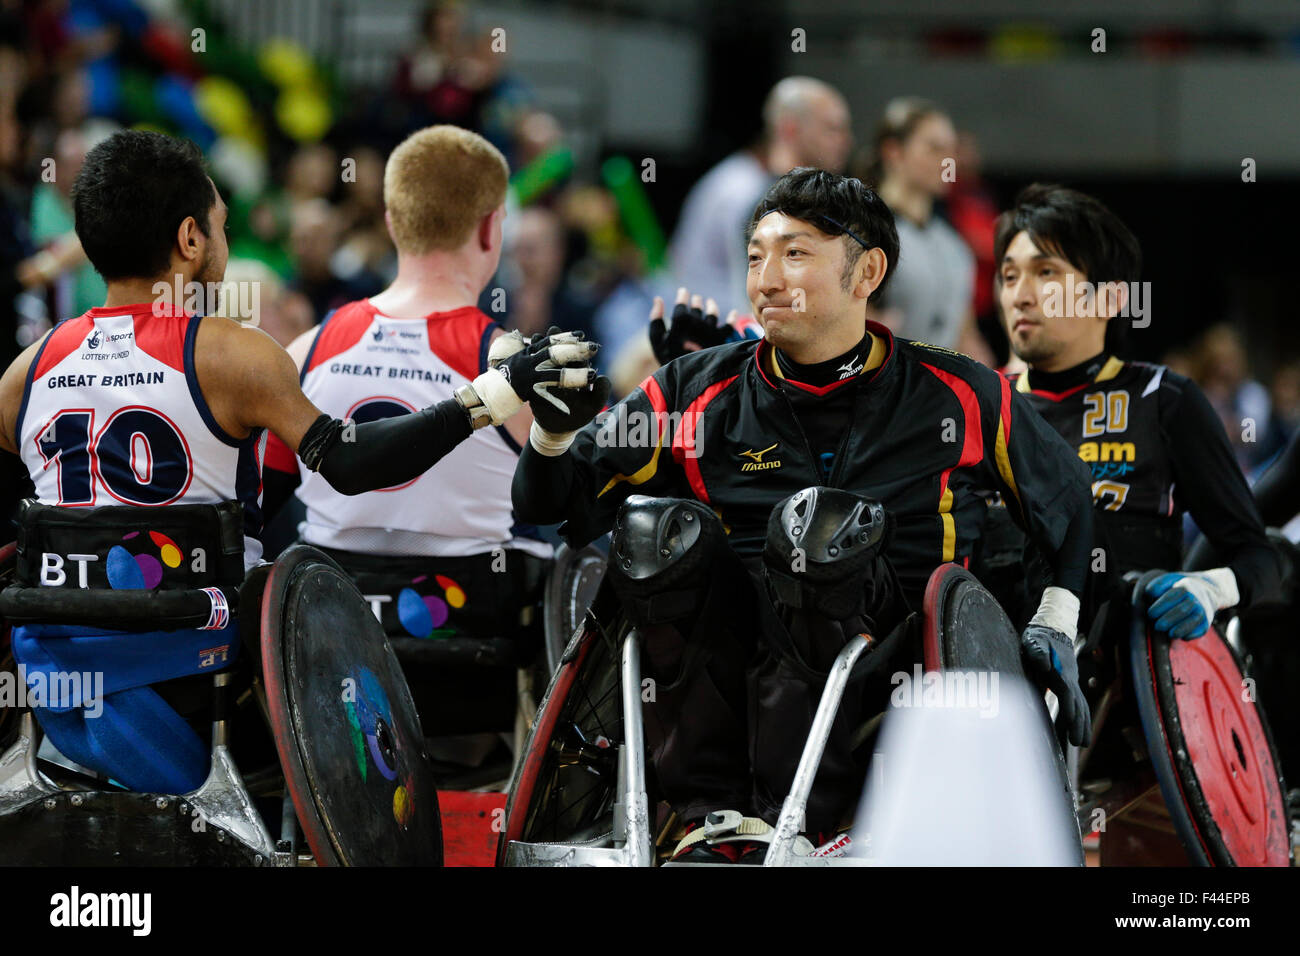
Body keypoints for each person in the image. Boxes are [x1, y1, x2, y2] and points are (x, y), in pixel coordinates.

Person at [512, 167, 1096, 859]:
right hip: (725, 662)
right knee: (652, 532)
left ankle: (819, 817)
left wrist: (1057, 620)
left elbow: (1069, 503)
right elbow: (556, 508)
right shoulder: (691, 391)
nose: (765, 277)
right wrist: (549, 439)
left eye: (795, 253)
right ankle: (714, 820)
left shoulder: (960, 392)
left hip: (894, 667)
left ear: (866, 271)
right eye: (756, 255)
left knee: (816, 530)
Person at [0, 130, 597, 793]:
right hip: (212, 696)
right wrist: (487, 396)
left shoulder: (25, 374)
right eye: (223, 226)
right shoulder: (235, 355)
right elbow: (348, 462)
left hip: (55, 694)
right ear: (192, 239)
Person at [263, 125, 573, 675]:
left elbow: (262, 504)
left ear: (391, 221)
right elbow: (568, 503)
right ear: (490, 229)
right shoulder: (506, 360)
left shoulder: (306, 349)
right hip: (473, 665)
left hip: (326, 660)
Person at [989, 183, 1282, 642]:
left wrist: (1209, 588)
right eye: (1008, 277)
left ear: (1109, 299)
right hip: (994, 670)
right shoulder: (979, 404)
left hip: (1122, 680)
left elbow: (1258, 557)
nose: (1020, 296)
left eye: (1046, 272)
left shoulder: (1164, 398)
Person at [667, 77, 852, 317]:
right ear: (790, 129)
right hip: (717, 329)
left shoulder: (775, 189)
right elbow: (752, 298)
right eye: (832, 129)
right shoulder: (742, 191)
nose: (846, 141)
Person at [860, 97, 992, 364]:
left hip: (940, 395)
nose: (948, 162)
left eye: (951, 150)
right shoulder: (860, 231)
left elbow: (967, 336)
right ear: (893, 151)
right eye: (934, 148)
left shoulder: (953, 243)